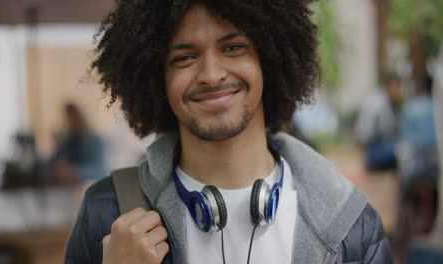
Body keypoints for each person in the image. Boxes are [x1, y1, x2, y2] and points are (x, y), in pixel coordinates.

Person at [65, 1, 392, 263]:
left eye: (233, 48)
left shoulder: (352, 228)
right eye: (185, 57)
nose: (211, 74)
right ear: (156, 78)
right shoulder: (106, 213)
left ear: (270, 59)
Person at [50, 103, 108, 184]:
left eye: (71, 118)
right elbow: (54, 161)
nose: (68, 123)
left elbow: (100, 169)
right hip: (70, 187)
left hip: (89, 185)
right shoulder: (66, 141)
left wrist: (75, 172)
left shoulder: (94, 140)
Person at [355, 73, 403, 171]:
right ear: (388, 86)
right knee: (401, 150)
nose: (398, 91)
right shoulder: (377, 104)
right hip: (375, 150)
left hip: (384, 147)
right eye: (396, 87)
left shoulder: (391, 103)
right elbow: (364, 134)